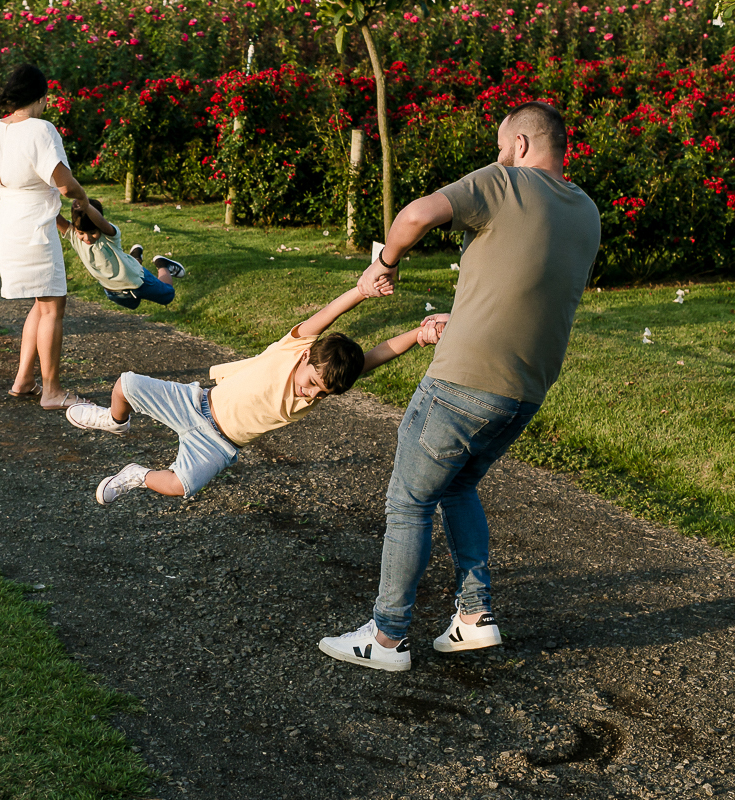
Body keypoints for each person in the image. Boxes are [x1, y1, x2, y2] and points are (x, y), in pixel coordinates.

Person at [318, 101, 602, 673]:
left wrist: (386, 264)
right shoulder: (586, 210)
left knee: (409, 499)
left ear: (521, 145)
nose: (497, 156)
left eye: (501, 146)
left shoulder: (506, 182)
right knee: (457, 486)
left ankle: (388, 636)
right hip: (524, 390)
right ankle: (474, 618)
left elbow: (417, 214)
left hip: (463, 381)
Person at [64, 281, 439, 504]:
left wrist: (419, 336)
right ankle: (113, 421)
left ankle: (135, 474)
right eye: (311, 383)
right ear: (306, 355)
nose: (310, 395)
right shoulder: (293, 347)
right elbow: (328, 313)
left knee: (182, 485)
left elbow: (378, 354)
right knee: (126, 384)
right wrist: (361, 290)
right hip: (194, 404)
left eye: (321, 394)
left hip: (219, 443)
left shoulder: (323, 386)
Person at [0, 63, 87, 409]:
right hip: (36, 226)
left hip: (8, 220)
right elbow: (65, 184)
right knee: (53, 305)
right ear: (42, 97)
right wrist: (83, 199)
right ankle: (52, 391)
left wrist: (15, 183)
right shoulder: (41, 129)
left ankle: (23, 381)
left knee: (42, 300)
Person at [56, 198, 185, 310]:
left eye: (92, 232)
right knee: (133, 304)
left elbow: (100, 221)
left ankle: (162, 264)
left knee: (168, 296)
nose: (87, 237)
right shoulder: (74, 236)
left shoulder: (108, 235)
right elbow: (54, 216)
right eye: (81, 233)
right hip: (113, 290)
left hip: (137, 281)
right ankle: (135, 257)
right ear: (75, 228)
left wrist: (86, 205)